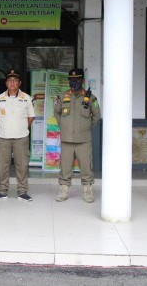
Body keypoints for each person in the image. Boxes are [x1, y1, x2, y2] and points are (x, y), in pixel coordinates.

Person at [53, 68, 101, 203]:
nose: (74, 82)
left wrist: (85, 128)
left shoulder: (90, 97)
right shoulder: (62, 97)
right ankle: (63, 191)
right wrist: (63, 125)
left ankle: (87, 191)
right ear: (69, 81)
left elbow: (96, 116)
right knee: (65, 167)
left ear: (83, 81)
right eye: (72, 80)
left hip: (84, 140)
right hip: (66, 139)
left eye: (77, 79)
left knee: (86, 167)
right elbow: (56, 113)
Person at [0, 69, 35, 201]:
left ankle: (22, 191)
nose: (12, 82)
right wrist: (7, 126)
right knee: (2, 165)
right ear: (6, 83)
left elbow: (31, 117)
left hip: (21, 137)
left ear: (19, 83)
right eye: (9, 80)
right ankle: (2, 191)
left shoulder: (27, 98)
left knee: (21, 165)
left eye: (15, 80)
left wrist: (21, 127)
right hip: (3, 137)